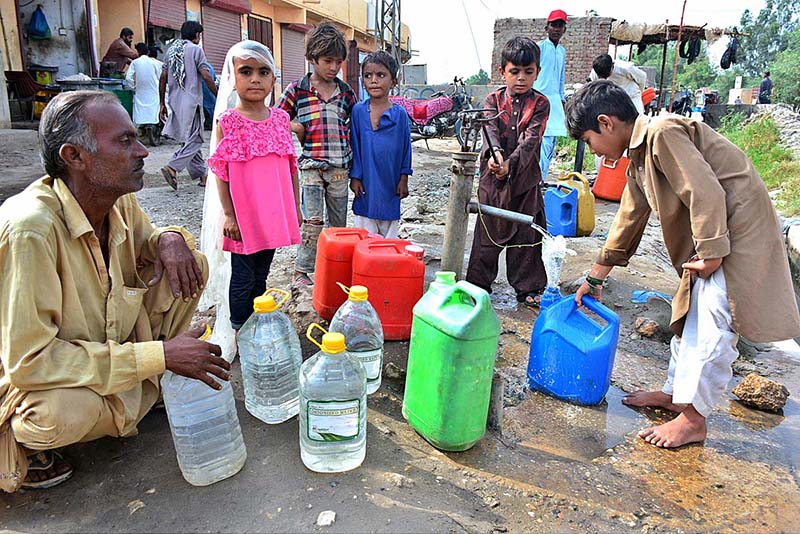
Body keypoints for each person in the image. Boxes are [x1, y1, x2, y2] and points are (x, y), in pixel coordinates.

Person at [0, 91, 231, 493]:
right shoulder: (31, 229)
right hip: (45, 375)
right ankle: (28, 443)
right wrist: (159, 356)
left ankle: (136, 391)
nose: (142, 151)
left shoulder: (116, 201)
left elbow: (150, 239)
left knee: (190, 262)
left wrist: (170, 238)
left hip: (105, 342)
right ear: (75, 156)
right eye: (125, 141)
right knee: (55, 415)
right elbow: (30, 362)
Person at [566, 81, 800, 448]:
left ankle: (693, 420)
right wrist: (595, 277)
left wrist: (710, 251)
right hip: (717, 237)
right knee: (689, 314)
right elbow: (629, 218)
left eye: (588, 140)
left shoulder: (662, 134)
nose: (591, 150)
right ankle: (676, 395)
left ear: (606, 122)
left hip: (735, 231)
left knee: (713, 320)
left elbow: (704, 190)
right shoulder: (639, 157)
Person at [206, 40, 302, 347]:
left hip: (273, 212)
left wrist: (295, 208)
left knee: (262, 271)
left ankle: (257, 322)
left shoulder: (280, 120)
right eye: (246, 71)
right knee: (243, 274)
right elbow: (222, 172)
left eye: (263, 72)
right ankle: (240, 329)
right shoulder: (229, 122)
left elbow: (290, 168)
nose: (255, 79)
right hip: (244, 215)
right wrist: (230, 214)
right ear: (233, 79)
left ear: (274, 80)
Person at [465, 36, 549, 308]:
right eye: (515, 71)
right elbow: (489, 131)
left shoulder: (541, 104)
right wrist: (495, 157)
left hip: (525, 180)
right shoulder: (492, 99)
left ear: (537, 72)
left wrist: (510, 164)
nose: (521, 78)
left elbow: (531, 140)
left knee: (526, 234)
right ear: (503, 72)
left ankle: (528, 288)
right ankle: (477, 287)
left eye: (528, 71)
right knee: (487, 232)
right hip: (493, 180)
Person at [278, 21, 357, 286]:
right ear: (312, 58)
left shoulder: (346, 93)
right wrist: (295, 126)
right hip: (311, 166)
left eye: (338, 62)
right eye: (327, 61)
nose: (334, 67)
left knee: (337, 225)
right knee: (312, 221)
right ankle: (301, 271)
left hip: (339, 170)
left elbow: (354, 128)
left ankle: (334, 269)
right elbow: (275, 119)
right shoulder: (297, 90)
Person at [349, 51, 412, 239]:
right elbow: (356, 146)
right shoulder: (358, 111)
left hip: (391, 182)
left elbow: (405, 149)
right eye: (368, 76)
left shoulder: (400, 114)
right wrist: (356, 177)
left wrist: (404, 178)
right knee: (364, 238)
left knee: (389, 238)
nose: (374, 80)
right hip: (367, 182)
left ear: (393, 81)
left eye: (380, 75)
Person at [159, 21, 218, 189]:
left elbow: (163, 77)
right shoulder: (196, 50)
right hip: (192, 102)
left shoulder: (170, 51)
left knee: (189, 139)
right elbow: (206, 76)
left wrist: (162, 103)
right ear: (196, 35)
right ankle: (173, 166)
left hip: (175, 102)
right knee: (196, 139)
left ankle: (203, 175)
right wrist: (218, 95)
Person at [533, 9, 567, 180]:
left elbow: (561, 79)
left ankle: (541, 179)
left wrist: (562, 101)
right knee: (538, 140)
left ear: (564, 30)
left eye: (560, 26)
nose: (556, 29)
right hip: (538, 99)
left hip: (554, 102)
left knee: (549, 142)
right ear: (547, 28)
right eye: (553, 25)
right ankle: (535, 180)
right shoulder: (539, 48)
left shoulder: (562, 52)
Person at [126, 43, 163, 128]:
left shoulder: (135, 63)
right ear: (148, 52)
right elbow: (160, 77)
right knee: (154, 111)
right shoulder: (155, 63)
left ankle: (141, 128)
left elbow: (128, 78)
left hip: (140, 92)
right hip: (154, 92)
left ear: (138, 52)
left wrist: (133, 86)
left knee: (140, 112)